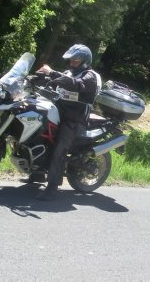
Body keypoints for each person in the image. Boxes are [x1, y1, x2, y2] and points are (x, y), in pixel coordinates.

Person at [35, 44, 101, 201]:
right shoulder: (69, 73)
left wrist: (52, 73)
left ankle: (52, 188)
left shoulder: (89, 76)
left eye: (75, 60)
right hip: (59, 112)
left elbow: (76, 85)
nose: (72, 63)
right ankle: (37, 173)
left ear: (85, 61)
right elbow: (56, 81)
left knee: (60, 148)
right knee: (39, 134)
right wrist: (37, 77)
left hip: (74, 119)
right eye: (71, 60)